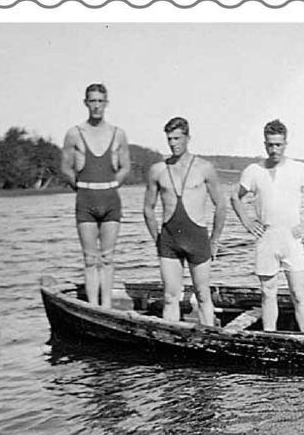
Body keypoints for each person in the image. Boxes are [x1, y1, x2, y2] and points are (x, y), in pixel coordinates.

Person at [231, 119, 304, 333]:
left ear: (285, 144)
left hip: (292, 238)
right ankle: (270, 336)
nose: (274, 150)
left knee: (298, 293)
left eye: (279, 145)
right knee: (268, 292)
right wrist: (247, 222)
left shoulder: (300, 169)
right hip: (267, 238)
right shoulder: (253, 171)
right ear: (265, 144)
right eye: (270, 145)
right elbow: (235, 197)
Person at [143, 117, 227, 326]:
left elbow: (221, 205)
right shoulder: (158, 170)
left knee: (202, 295)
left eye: (177, 138)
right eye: (169, 139)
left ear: (188, 138)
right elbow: (147, 208)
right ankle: (168, 344)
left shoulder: (204, 168)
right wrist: (157, 239)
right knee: (171, 297)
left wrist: (214, 240)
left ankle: (210, 342)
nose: (173, 143)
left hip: (197, 238)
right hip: (169, 241)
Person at [60, 83, 131, 308]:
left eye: (101, 101)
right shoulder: (75, 133)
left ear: (106, 104)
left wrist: (111, 185)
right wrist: (81, 186)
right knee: (90, 259)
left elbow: (125, 167)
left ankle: (107, 307)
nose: (97, 106)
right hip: (86, 200)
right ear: (86, 103)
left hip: (110, 200)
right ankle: (92, 307)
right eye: (93, 101)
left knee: (108, 258)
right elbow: (65, 167)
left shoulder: (118, 134)